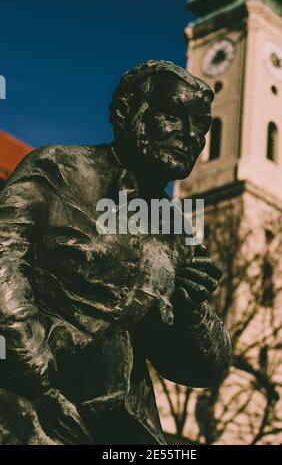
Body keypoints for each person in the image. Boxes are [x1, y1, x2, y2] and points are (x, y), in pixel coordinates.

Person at [0, 60, 231, 445]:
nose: (191, 135)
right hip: (30, 404)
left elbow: (206, 369)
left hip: (123, 427)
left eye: (202, 126)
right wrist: (41, 383)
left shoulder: (176, 232)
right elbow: (4, 263)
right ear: (125, 111)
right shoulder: (59, 170)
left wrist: (190, 310)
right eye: (174, 115)